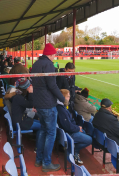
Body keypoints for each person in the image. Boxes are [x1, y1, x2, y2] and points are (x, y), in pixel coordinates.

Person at [31, 43, 66, 172]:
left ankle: (38, 160)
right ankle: (46, 163)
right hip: (47, 104)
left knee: (43, 131)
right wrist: (63, 99)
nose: (54, 57)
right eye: (54, 55)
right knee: (50, 133)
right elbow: (52, 86)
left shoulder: (36, 64)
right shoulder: (49, 65)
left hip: (39, 103)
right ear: (51, 54)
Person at [57, 89, 92, 164]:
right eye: (68, 96)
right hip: (68, 134)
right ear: (63, 97)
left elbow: (69, 122)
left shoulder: (62, 106)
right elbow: (67, 127)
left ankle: (74, 150)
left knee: (84, 132)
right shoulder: (61, 109)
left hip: (68, 131)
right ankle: (74, 150)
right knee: (89, 139)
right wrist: (77, 128)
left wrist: (77, 127)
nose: (69, 98)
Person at [11, 78, 41, 149]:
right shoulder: (18, 98)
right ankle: (38, 148)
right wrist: (31, 93)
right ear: (26, 88)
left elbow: (26, 105)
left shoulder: (17, 96)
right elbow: (30, 104)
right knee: (43, 126)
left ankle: (37, 141)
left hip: (20, 120)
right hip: (21, 122)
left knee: (40, 121)